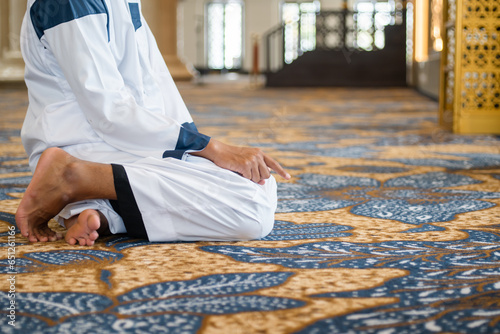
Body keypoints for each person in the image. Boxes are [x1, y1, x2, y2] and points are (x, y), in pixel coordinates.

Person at [16, 0, 290, 246]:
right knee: (250, 210)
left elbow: (154, 87)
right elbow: (109, 111)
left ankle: (102, 210)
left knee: (259, 182)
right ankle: (72, 176)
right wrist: (212, 149)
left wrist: (198, 154)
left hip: (131, 141)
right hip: (83, 144)